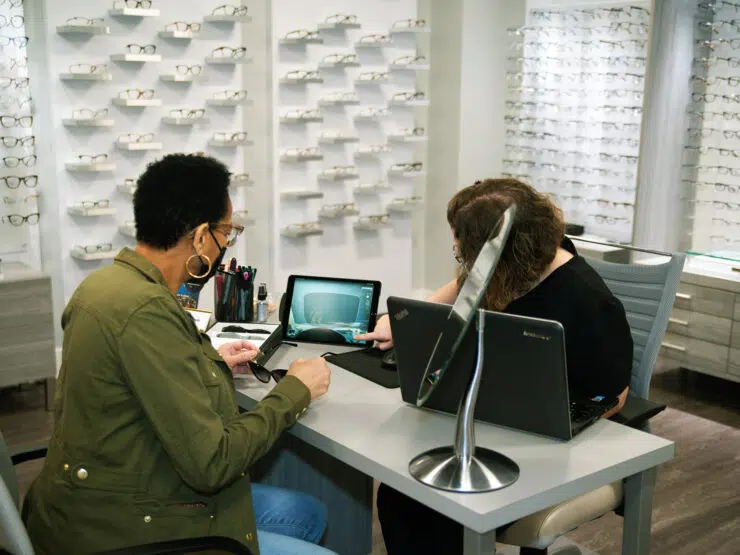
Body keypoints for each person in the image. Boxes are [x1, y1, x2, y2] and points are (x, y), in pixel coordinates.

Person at [22, 154, 336, 555]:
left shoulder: (105, 286)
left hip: (88, 499)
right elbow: (215, 464)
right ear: (202, 237)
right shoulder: (145, 311)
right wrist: (295, 391)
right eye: (227, 233)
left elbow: (134, 379)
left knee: (305, 513)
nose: (226, 245)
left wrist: (210, 363)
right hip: (125, 526)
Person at [355, 177, 634, 555]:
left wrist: (541, 422)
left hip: (549, 443)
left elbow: (613, 397)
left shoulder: (589, 303)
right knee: (401, 492)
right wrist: (399, 319)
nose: (459, 255)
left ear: (503, 251)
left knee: (433, 506)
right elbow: (466, 284)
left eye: (463, 250)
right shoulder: (523, 262)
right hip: (493, 416)